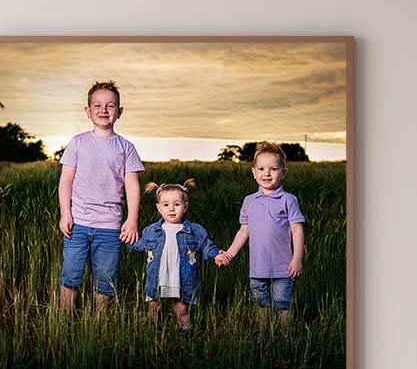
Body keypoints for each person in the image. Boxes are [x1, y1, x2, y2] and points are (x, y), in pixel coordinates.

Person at [57, 80, 144, 310]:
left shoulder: (126, 147)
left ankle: (100, 326)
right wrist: (65, 213)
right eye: (97, 105)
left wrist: (132, 219)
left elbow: (132, 186)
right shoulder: (78, 142)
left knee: (105, 281)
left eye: (110, 106)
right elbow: (65, 181)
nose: (103, 110)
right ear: (88, 111)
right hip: (78, 224)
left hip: (110, 226)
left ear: (120, 112)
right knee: (70, 276)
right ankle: (65, 321)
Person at [221, 141, 305, 327]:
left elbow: (297, 230)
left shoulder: (288, 200)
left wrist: (297, 258)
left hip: (284, 266)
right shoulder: (249, 201)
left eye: (273, 169)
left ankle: (284, 338)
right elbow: (244, 231)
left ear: (283, 173)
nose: (266, 173)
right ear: (254, 173)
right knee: (261, 304)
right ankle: (264, 335)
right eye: (261, 169)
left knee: (282, 304)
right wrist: (230, 253)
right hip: (258, 266)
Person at [127, 179, 227, 332]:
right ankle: (151, 336)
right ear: (159, 208)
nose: (171, 209)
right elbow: (141, 245)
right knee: (153, 309)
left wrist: (216, 255)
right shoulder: (152, 231)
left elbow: (206, 246)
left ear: (185, 207)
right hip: (158, 278)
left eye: (177, 204)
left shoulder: (194, 231)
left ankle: (187, 337)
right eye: (166, 205)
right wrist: (127, 239)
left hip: (181, 279)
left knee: (182, 310)